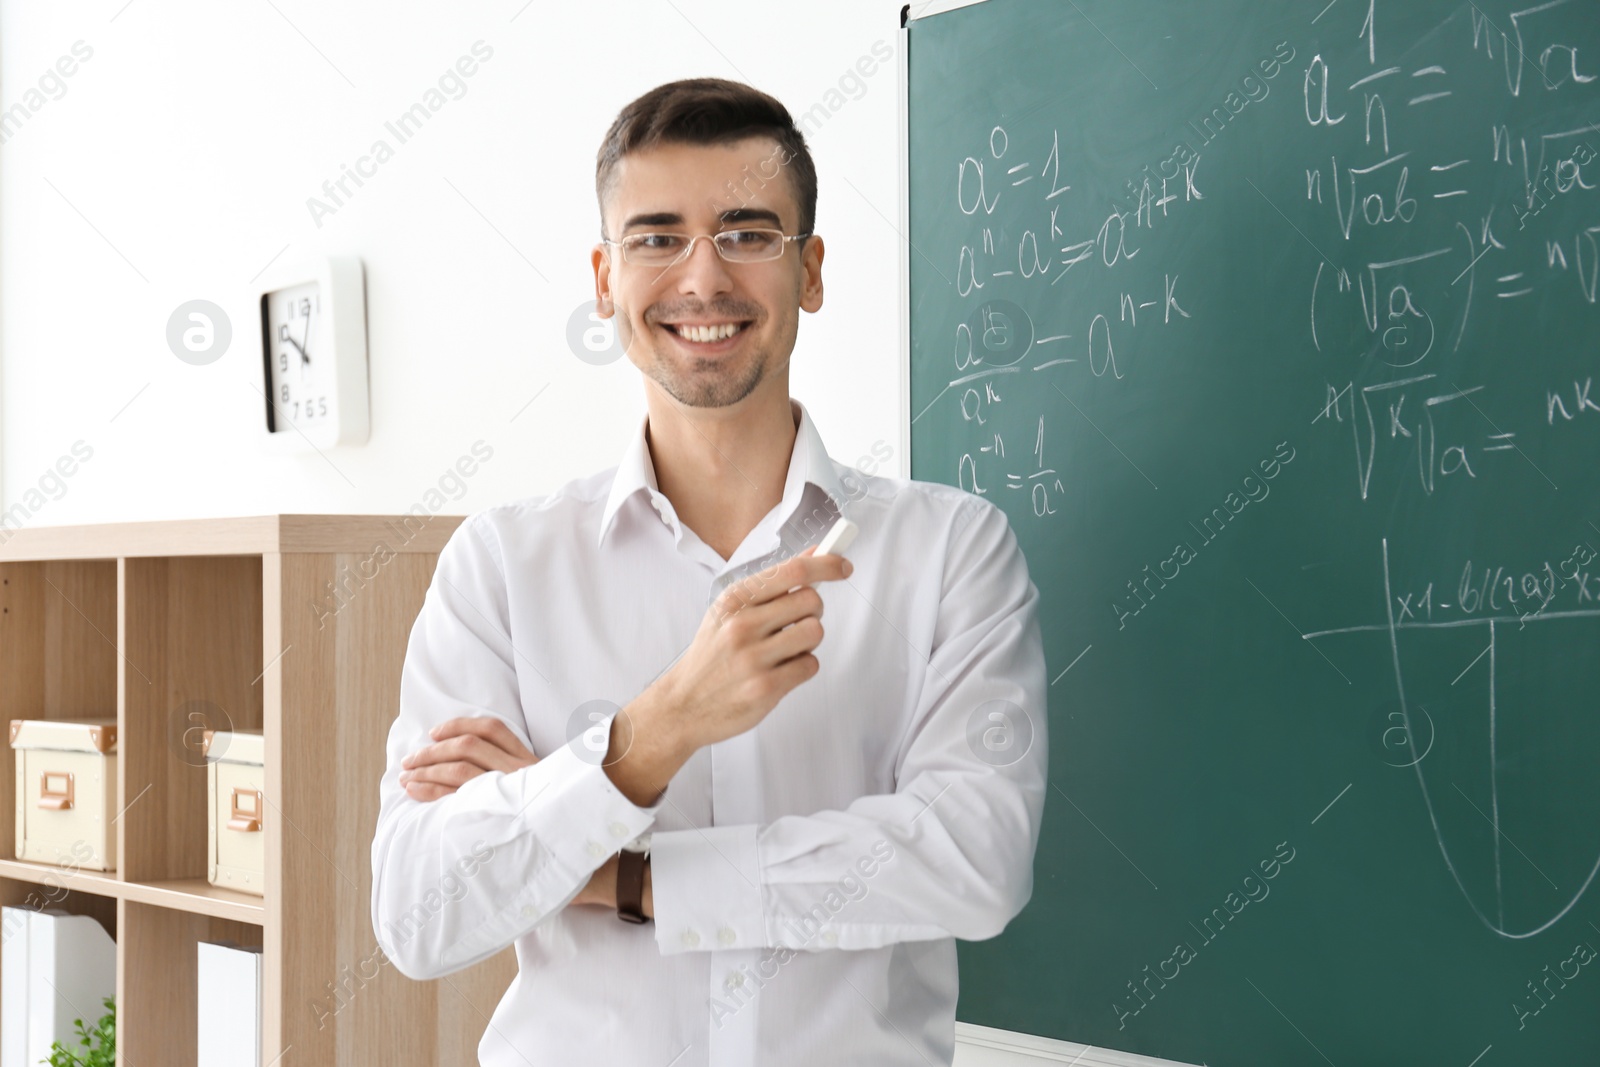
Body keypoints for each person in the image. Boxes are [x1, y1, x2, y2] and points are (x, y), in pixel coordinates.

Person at [370, 76, 1047, 1067]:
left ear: (809, 269)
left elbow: (975, 861)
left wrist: (625, 872)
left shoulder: (949, 550)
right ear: (604, 280)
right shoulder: (503, 563)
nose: (702, 279)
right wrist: (654, 732)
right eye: (655, 238)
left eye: (746, 233)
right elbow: (422, 913)